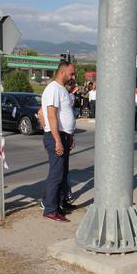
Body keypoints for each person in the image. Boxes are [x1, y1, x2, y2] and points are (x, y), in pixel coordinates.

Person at [41, 61, 77, 222]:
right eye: (71, 73)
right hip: (56, 137)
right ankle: (50, 209)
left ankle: (60, 203)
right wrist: (57, 140)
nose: (73, 76)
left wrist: (69, 136)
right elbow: (50, 115)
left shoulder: (61, 89)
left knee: (62, 174)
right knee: (56, 175)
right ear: (62, 73)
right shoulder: (53, 89)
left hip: (64, 136)